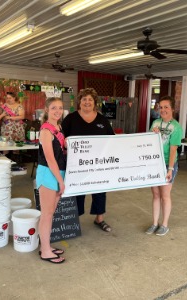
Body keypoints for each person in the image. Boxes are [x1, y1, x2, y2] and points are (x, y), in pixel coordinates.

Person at [61, 88, 114, 232]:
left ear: (94, 102)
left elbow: (112, 139)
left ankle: (99, 219)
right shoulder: (71, 119)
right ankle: (74, 220)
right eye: (84, 99)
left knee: (100, 190)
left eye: (90, 99)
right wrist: (64, 143)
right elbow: (60, 136)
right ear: (80, 101)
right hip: (76, 164)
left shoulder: (102, 120)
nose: (87, 102)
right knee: (77, 191)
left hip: (98, 164)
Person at [146, 96, 182, 236]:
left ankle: (164, 224)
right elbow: (148, 141)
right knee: (155, 194)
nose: (163, 110)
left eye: (166, 107)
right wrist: (152, 134)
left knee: (165, 195)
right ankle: (155, 223)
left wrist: (170, 169)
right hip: (155, 162)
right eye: (161, 107)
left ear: (172, 109)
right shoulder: (155, 122)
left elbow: (173, 149)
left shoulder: (176, 127)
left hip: (168, 163)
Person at [36, 97, 66, 264]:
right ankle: (45, 251)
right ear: (47, 110)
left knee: (50, 213)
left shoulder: (58, 127)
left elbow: (60, 149)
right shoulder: (46, 131)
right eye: (54, 108)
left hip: (57, 173)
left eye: (60, 108)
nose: (57, 111)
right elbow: (50, 158)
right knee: (46, 214)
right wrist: (61, 181)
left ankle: (46, 245)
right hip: (49, 174)